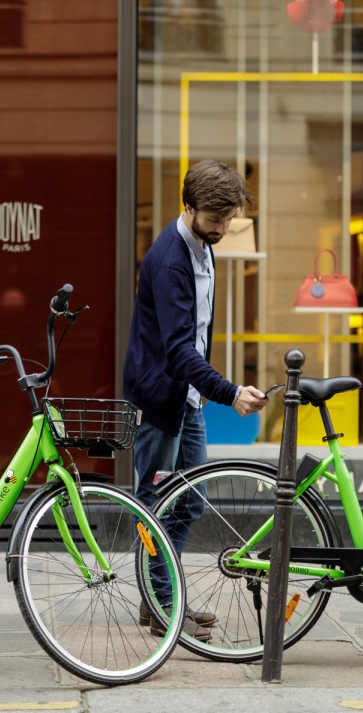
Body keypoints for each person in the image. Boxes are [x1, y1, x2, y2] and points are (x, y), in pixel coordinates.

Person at [124, 160, 269, 640]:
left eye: (229, 219)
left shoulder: (203, 246)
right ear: (188, 208)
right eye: (214, 219)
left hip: (186, 396)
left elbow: (198, 333)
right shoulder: (170, 260)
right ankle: (164, 603)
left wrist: (204, 391)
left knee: (191, 502)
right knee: (155, 504)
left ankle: (159, 598)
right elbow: (179, 348)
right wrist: (227, 393)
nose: (223, 228)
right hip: (161, 400)